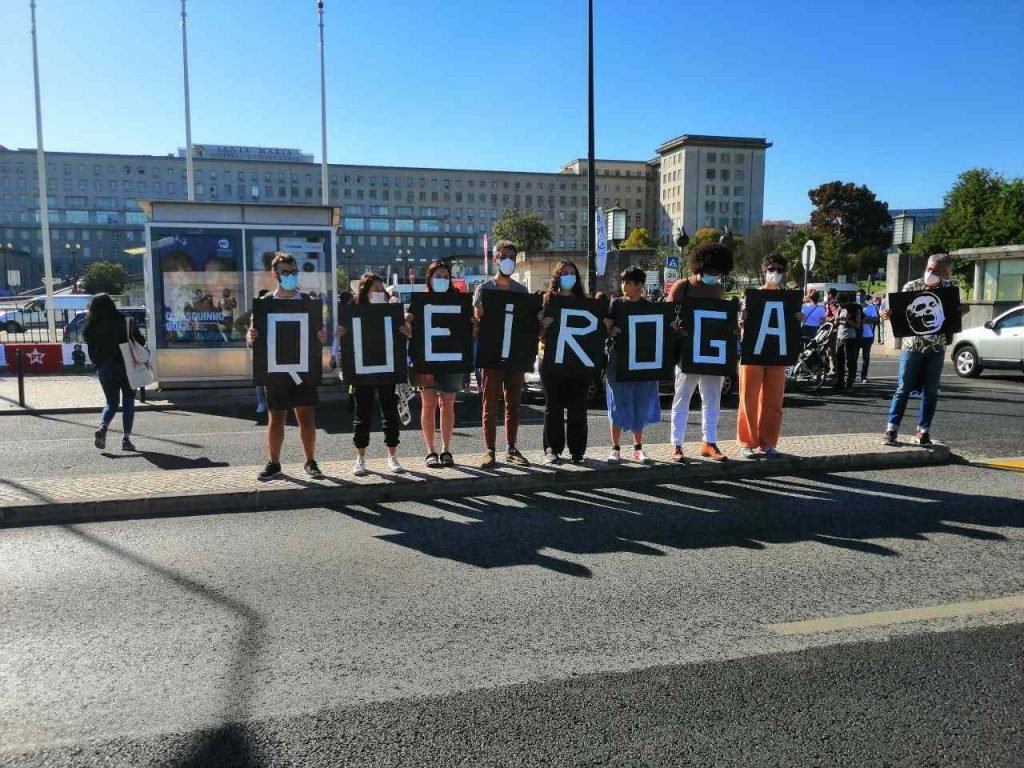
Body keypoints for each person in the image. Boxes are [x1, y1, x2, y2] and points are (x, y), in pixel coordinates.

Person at [246, 252, 328, 481]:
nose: (290, 276)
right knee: (276, 417)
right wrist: (250, 336)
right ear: (275, 274)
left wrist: (322, 336)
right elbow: (251, 334)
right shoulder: (265, 304)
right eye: (285, 272)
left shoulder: (308, 302)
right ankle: (274, 463)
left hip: (303, 369)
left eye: (293, 272)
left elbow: (319, 334)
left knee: (306, 416)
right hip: (276, 370)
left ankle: (310, 462)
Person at [881, 253, 969, 446]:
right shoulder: (911, 287)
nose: (931, 273)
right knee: (903, 388)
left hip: (936, 348)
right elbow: (896, 312)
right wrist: (889, 314)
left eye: (936, 271)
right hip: (912, 347)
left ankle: (923, 431)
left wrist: (963, 309)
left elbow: (954, 313)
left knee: (931, 391)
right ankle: (891, 429)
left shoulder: (949, 290)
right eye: (929, 269)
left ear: (946, 272)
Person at [337, 273, 412, 476]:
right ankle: (360, 458)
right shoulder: (353, 313)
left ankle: (392, 455)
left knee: (389, 412)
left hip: (387, 369)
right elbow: (344, 342)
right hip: (363, 370)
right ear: (365, 291)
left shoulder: (393, 313)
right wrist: (340, 336)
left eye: (382, 290)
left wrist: (408, 332)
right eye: (375, 290)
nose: (380, 293)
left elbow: (407, 338)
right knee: (362, 414)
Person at [668, 242, 735, 462]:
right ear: (700, 267)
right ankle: (677, 445)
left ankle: (710, 442)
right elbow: (667, 316)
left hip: (712, 351)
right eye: (711, 271)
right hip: (687, 352)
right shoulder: (682, 286)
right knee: (682, 398)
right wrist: (674, 327)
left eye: (718, 272)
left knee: (713, 398)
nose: (714, 276)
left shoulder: (719, 289)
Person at [736, 254, 805, 459]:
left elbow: (791, 327)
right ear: (764, 271)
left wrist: (798, 319)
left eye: (779, 270)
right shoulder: (750, 296)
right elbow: (740, 324)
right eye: (771, 269)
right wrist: (742, 320)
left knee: (774, 400)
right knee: (748, 398)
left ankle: (768, 443)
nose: (775, 274)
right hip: (753, 353)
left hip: (777, 353)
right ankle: (746, 442)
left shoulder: (789, 299)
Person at [473, 239, 531, 468]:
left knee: (513, 402)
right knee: (490, 403)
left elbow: (526, 324)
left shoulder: (521, 291)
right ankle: (489, 449)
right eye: (504, 256)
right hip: (492, 354)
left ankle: (512, 448)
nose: (509, 261)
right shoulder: (484, 289)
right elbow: (476, 322)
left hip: (514, 355)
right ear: (496, 259)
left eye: (512, 257)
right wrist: (477, 318)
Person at [605, 266, 662, 464]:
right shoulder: (615, 304)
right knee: (617, 405)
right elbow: (605, 327)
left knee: (639, 404)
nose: (624, 286)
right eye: (623, 282)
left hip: (641, 363)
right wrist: (610, 332)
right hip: (617, 362)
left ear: (639, 285)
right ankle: (615, 448)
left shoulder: (650, 307)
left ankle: (638, 448)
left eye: (628, 282)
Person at [407, 261, 462, 468]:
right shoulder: (420, 301)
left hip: (451, 357)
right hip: (426, 357)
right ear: (429, 279)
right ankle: (430, 451)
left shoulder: (457, 299)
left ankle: (446, 449)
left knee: (447, 404)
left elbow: (466, 327)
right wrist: (406, 321)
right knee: (428, 404)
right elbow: (410, 327)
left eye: (446, 276)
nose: (442, 280)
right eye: (438, 276)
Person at [539, 260, 589, 464]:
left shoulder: (585, 303)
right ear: (557, 277)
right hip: (552, 362)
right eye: (564, 273)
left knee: (578, 407)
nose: (569, 276)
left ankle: (577, 450)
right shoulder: (547, 301)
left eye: (572, 273)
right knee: (554, 407)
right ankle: (552, 448)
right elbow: (538, 335)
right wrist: (542, 326)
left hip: (578, 362)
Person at [83, 293, 146, 452]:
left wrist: (98, 364)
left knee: (111, 402)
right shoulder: (125, 321)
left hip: (105, 368)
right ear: (112, 304)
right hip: (126, 366)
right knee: (128, 402)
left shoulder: (90, 325)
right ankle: (126, 439)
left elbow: (91, 351)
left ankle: (103, 428)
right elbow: (141, 341)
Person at [834, 301, 863, 390]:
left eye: (841, 303)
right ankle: (840, 382)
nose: (840, 305)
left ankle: (850, 383)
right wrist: (837, 320)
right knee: (839, 361)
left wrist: (847, 320)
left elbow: (858, 325)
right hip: (840, 338)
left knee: (850, 362)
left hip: (850, 338)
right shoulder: (839, 309)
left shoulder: (855, 310)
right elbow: (835, 323)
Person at [253, 288, 270, 426]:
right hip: (261, 350)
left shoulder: (276, 311)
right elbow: (244, 326)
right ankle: (261, 403)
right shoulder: (255, 313)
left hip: (275, 350)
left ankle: (271, 403)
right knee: (260, 379)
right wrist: (249, 338)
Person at [856, 296, 880, 382]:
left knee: (865, 358)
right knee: (853, 358)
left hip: (868, 336)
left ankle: (863, 376)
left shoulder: (871, 307)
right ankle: (852, 377)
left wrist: (865, 319)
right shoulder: (855, 307)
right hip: (856, 336)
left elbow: (876, 319)